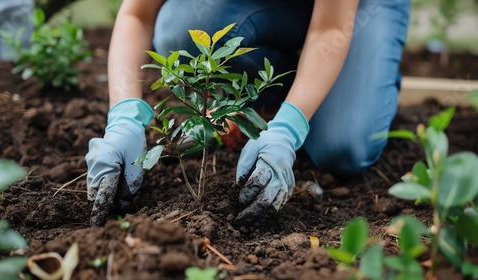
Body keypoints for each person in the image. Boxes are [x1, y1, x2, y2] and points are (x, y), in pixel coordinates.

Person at [85, 0, 410, 226]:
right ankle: (274, 96)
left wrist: (289, 127)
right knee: (181, 27)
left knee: (344, 146)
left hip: (354, 10)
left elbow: (331, 26)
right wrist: (124, 117)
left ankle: (313, 96)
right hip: (259, 7)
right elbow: (138, 15)